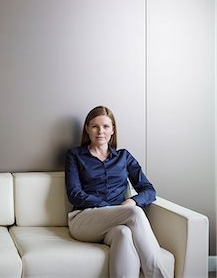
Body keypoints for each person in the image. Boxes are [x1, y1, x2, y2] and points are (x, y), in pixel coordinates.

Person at [65, 106, 171, 278]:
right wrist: (116, 208)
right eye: (95, 126)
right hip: (84, 219)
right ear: (87, 129)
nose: (100, 131)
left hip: (117, 223)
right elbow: (74, 194)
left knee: (123, 233)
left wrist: (132, 201)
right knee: (134, 213)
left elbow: (149, 190)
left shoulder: (124, 157)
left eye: (106, 126)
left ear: (113, 130)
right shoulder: (75, 156)